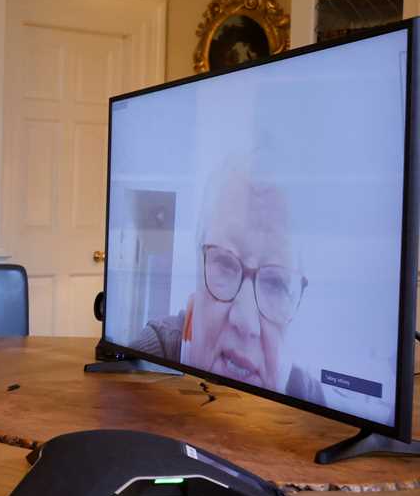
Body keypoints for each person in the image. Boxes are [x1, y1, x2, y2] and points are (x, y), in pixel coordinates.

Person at [129, 164, 324, 404]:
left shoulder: (309, 397)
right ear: (198, 268)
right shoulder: (154, 354)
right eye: (224, 263)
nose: (246, 322)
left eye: (276, 284)